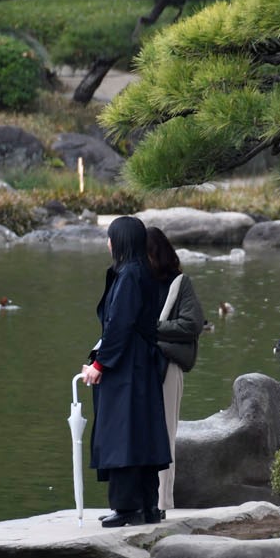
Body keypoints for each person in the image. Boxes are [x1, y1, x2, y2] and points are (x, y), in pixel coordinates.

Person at [80, 216, 171, 527]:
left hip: (127, 367)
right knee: (140, 432)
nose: (108, 243)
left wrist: (99, 364)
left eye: (110, 237)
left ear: (120, 241)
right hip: (139, 363)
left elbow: (119, 325)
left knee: (123, 433)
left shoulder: (130, 275)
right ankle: (147, 506)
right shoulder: (142, 272)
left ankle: (128, 507)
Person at [147, 226, 204, 518]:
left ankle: (162, 504)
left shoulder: (179, 283)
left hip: (168, 366)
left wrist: (151, 329)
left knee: (167, 432)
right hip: (141, 368)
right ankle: (142, 500)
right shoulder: (135, 281)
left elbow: (192, 325)